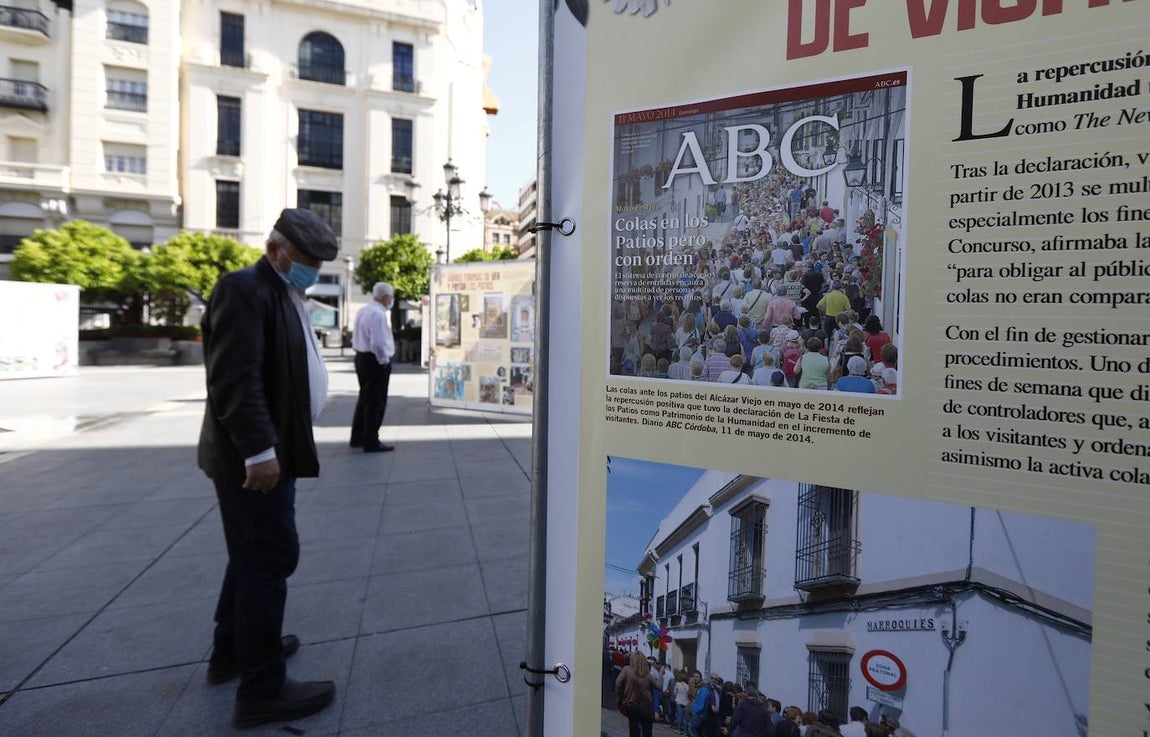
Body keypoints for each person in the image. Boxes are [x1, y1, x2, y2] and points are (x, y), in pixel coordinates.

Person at [198, 208, 338, 728]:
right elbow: (235, 378)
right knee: (269, 558)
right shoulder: (243, 289)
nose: (312, 271)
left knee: (249, 555)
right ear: (274, 249)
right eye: (305, 261)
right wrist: (259, 452)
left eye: (319, 263)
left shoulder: (283, 291)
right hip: (255, 461)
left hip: (276, 452)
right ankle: (261, 688)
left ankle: (232, 650)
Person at [350, 282, 397, 452]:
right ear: (386, 298)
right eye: (391, 297)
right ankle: (371, 440)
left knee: (364, 398)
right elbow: (378, 343)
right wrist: (384, 361)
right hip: (375, 361)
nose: (392, 300)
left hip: (361, 357)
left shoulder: (363, 310)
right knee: (375, 402)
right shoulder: (378, 315)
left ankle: (357, 437)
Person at [616, 650, 659, 737]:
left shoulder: (627, 670)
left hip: (632, 705)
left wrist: (620, 697)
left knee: (634, 730)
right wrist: (661, 674)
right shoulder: (647, 673)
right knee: (647, 732)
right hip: (646, 706)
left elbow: (618, 684)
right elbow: (658, 688)